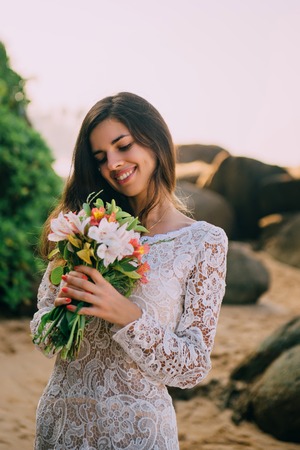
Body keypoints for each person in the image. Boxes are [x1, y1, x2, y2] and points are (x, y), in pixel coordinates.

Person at [30, 92, 228, 450]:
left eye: (123, 146)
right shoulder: (82, 228)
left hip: (138, 433)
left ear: (154, 140)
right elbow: (43, 339)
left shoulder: (203, 242)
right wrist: (61, 313)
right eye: (101, 157)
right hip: (62, 426)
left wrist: (128, 316)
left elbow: (193, 367)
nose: (114, 163)